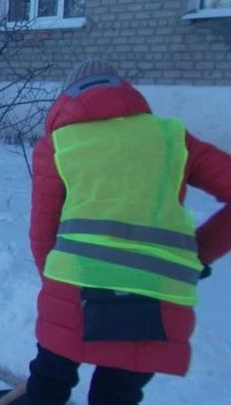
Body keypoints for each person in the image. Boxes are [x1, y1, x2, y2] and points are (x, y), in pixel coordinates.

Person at [17, 59, 231, 405]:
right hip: (155, 294)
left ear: (66, 98)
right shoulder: (170, 137)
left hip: (76, 287)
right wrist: (200, 251)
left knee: (49, 382)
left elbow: (43, 231)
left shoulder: (60, 143)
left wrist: (54, 283)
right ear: (125, 91)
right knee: (117, 394)